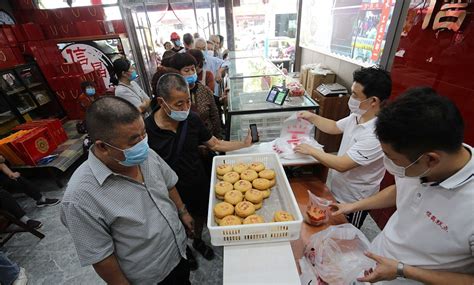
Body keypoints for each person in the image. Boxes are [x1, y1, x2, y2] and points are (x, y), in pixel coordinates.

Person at [332, 88, 474, 285]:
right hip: (377, 260)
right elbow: (401, 190)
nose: (387, 163)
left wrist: (402, 270)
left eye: (391, 157)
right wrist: (353, 206)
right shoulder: (418, 162)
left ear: (430, 160)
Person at [61, 96, 193, 285]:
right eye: (133, 141)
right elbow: (102, 258)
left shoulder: (146, 155)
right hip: (150, 278)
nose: (143, 144)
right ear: (103, 147)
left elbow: (168, 183)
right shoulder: (81, 199)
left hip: (179, 252)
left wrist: (182, 211)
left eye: (143, 134)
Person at [145, 73, 253, 269]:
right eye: (179, 104)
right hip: (168, 192)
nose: (185, 108)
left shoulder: (191, 120)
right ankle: (184, 250)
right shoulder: (147, 130)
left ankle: (198, 241)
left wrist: (243, 145)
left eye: (188, 101)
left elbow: (215, 143)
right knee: (176, 224)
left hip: (197, 181)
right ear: (162, 102)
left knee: (199, 218)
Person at [295, 66, 392, 228]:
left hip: (355, 199)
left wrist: (311, 150)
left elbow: (342, 165)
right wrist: (312, 117)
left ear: (373, 101)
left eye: (355, 94)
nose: (351, 97)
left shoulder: (375, 134)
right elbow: (334, 126)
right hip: (338, 189)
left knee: (346, 233)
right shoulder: (358, 115)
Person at [168, 53, 222, 138]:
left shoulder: (204, 90)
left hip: (209, 138)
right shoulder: (172, 94)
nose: (191, 73)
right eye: (186, 70)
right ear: (177, 73)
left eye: (193, 69)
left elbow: (214, 115)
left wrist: (218, 137)